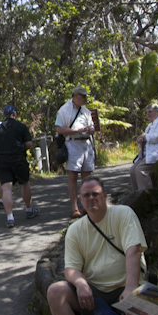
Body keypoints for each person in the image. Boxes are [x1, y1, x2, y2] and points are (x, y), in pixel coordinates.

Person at [45, 177, 156, 315]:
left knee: (134, 300)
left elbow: (134, 250)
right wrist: (81, 284)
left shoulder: (123, 214)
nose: (91, 199)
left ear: (105, 196)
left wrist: (131, 287)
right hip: (95, 291)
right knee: (56, 291)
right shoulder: (76, 229)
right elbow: (71, 269)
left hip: (125, 284)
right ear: (80, 200)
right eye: (86, 195)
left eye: (96, 194)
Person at [0, 104, 39, 228]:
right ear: (15, 114)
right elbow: (28, 143)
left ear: (4, 115)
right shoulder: (21, 127)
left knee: (6, 188)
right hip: (18, 159)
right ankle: (28, 209)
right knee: (25, 183)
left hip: (3, 161)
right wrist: (19, 148)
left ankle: (10, 217)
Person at [55, 86, 96, 218]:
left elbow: (93, 127)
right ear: (76, 96)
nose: (85, 99)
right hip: (73, 143)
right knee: (73, 175)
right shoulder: (64, 110)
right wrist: (76, 131)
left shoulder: (86, 111)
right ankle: (74, 207)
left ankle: (86, 206)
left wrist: (90, 130)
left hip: (86, 143)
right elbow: (59, 129)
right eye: (83, 96)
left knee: (87, 176)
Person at [130, 103, 158, 191]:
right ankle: (136, 194)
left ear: (157, 112)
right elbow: (146, 140)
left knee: (140, 171)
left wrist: (145, 137)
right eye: (146, 113)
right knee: (132, 170)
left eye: (150, 112)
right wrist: (141, 140)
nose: (148, 114)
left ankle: (146, 195)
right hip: (147, 155)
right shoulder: (150, 126)